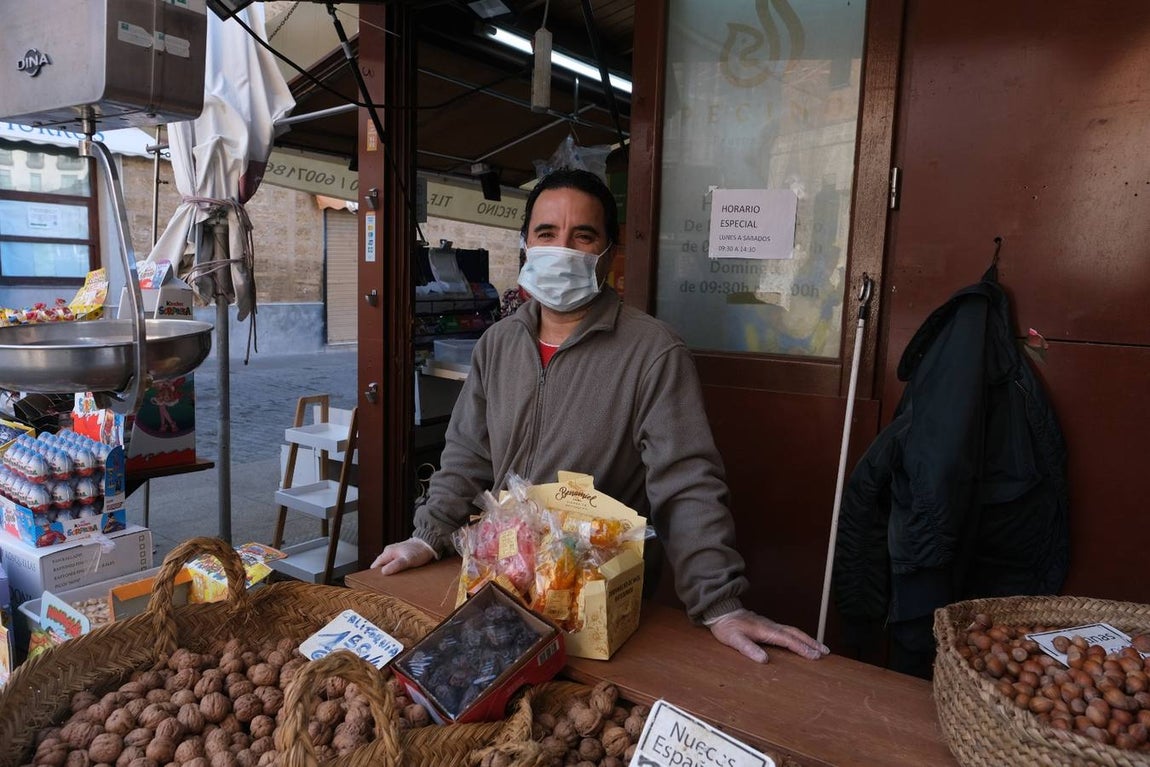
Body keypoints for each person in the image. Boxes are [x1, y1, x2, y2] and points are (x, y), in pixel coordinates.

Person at [373, 168, 829, 664]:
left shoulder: (652, 351)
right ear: (525, 244)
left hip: (592, 604)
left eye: (582, 236)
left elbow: (686, 481)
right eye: (547, 233)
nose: (561, 248)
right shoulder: (499, 344)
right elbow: (466, 454)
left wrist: (719, 603)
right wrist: (430, 534)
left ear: (607, 254)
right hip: (498, 584)